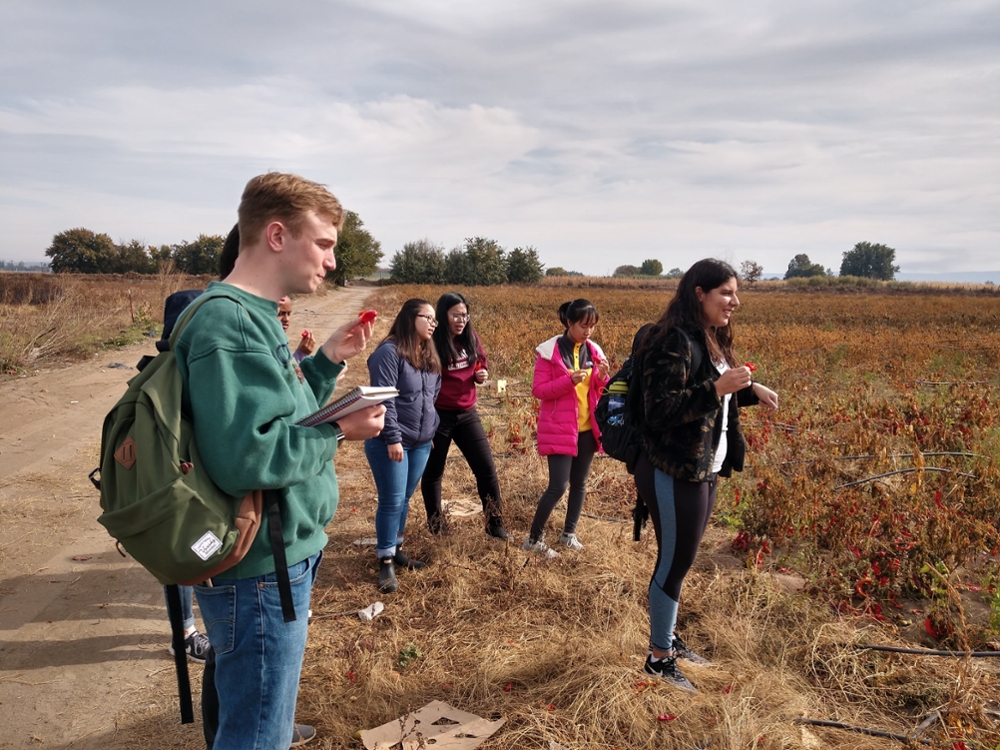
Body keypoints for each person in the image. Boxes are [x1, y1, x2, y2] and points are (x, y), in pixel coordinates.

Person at [174, 172, 385, 750]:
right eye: (324, 243)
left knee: (261, 720)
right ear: (275, 235)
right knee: (258, 735)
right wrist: (342, 429)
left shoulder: (255, 314)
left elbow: (275, 419)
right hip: (260, 570)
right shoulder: (230, 322)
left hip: (276, 558)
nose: (333, 261)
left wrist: (323, 366)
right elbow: (248, 457)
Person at [633, 258, 778, 692]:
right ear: (700, 293)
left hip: (704, 467)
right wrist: (718, 388)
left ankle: (669, 639)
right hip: (673, 469)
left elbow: (713, 393)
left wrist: (748, 390)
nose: (735, 301)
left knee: (680, 559)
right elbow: (659, 410)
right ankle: (658, 660)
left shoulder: (711, 337)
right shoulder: (672, 340)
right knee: (674, 563)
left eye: (736, 293)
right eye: (726, 293)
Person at [365, 299, 442, 593]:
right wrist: (393, 437)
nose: (433, 324)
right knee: (391, 499)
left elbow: (430, 398)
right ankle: (384, 560)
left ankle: (396, 548)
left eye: (435, 319)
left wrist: (429, 430)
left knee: (405, 498)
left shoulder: (427, 354)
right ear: (411, 318)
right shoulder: (389, 352)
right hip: (391, 442)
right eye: (428, 317)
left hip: (421, 442)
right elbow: (385, 399)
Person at [523, 299, 610, 558]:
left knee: (580, 483)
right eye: (583, 326)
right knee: (558, 485)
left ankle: (568, 534)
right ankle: (533, 539)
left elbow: (597, 390)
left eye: (592, 326)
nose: (588, 331)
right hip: (560, 427)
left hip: (587, 427)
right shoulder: (550, 353)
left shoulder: (594, 351)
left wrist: (602, 378)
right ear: (569, 323)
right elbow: (538, 390)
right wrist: (567, 381)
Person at [420, 292, 509, 540]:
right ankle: (437, 526)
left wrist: (481, 372)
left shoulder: (471, 338)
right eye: (456, 315)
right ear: (443, 316)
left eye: (465, 315)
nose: (461, 320)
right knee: (433, 472)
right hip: (439, 415)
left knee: (486, 469)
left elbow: (480, 362)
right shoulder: (432, 343)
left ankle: (495, 524)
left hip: (467, 413)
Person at [278, 296, 318, 363]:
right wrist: (301, 354)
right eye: (280, 314)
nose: (286, 319)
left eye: (289, 314)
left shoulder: (280, 339)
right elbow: (286, 371)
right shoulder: (265, 344)